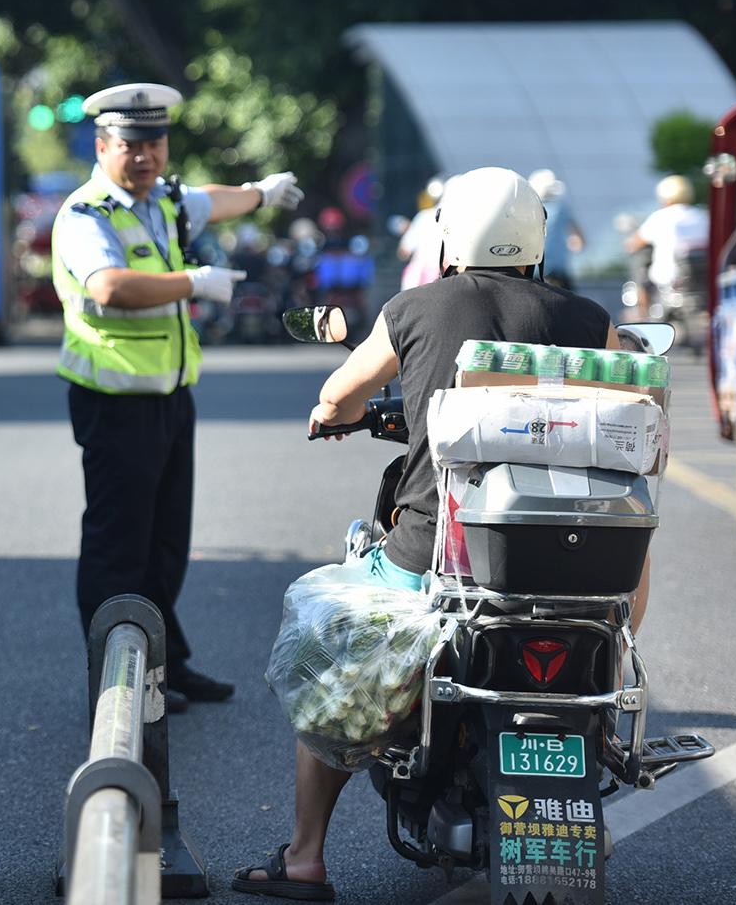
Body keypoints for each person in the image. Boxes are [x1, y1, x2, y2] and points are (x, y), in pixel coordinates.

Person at [233, 167, 640, 901]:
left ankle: (304, 858)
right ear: (537, 240)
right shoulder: (589, 321)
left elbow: (337, 394)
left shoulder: (413, 308)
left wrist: (334, 414)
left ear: (448, 239)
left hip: (438, 561)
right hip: (574, 567)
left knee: (333, 659)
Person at [50, 83, 303, 710]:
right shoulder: (87, 215)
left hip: (167, 395)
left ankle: (164, 661)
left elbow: (209, 200)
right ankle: (115, 679)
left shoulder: (159, 200)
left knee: (166, 541)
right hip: (115, 398)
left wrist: (260, 193)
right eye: (130, 145)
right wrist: (192, 282)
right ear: (103, 146)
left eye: (154, 144)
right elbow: (109, 286)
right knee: (119, 545)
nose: (145, 156)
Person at [627, 174, 710, 311]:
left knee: (639, 259)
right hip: (703, 283)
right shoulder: (703, 216)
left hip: (669, 283)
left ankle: (642, 308)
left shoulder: (660, 217)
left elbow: (633, 244)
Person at [528, 168, 586, 289]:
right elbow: (580, 239)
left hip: (534, 271)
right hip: (556, 273)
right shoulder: (561, 209)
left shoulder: (530, 209)